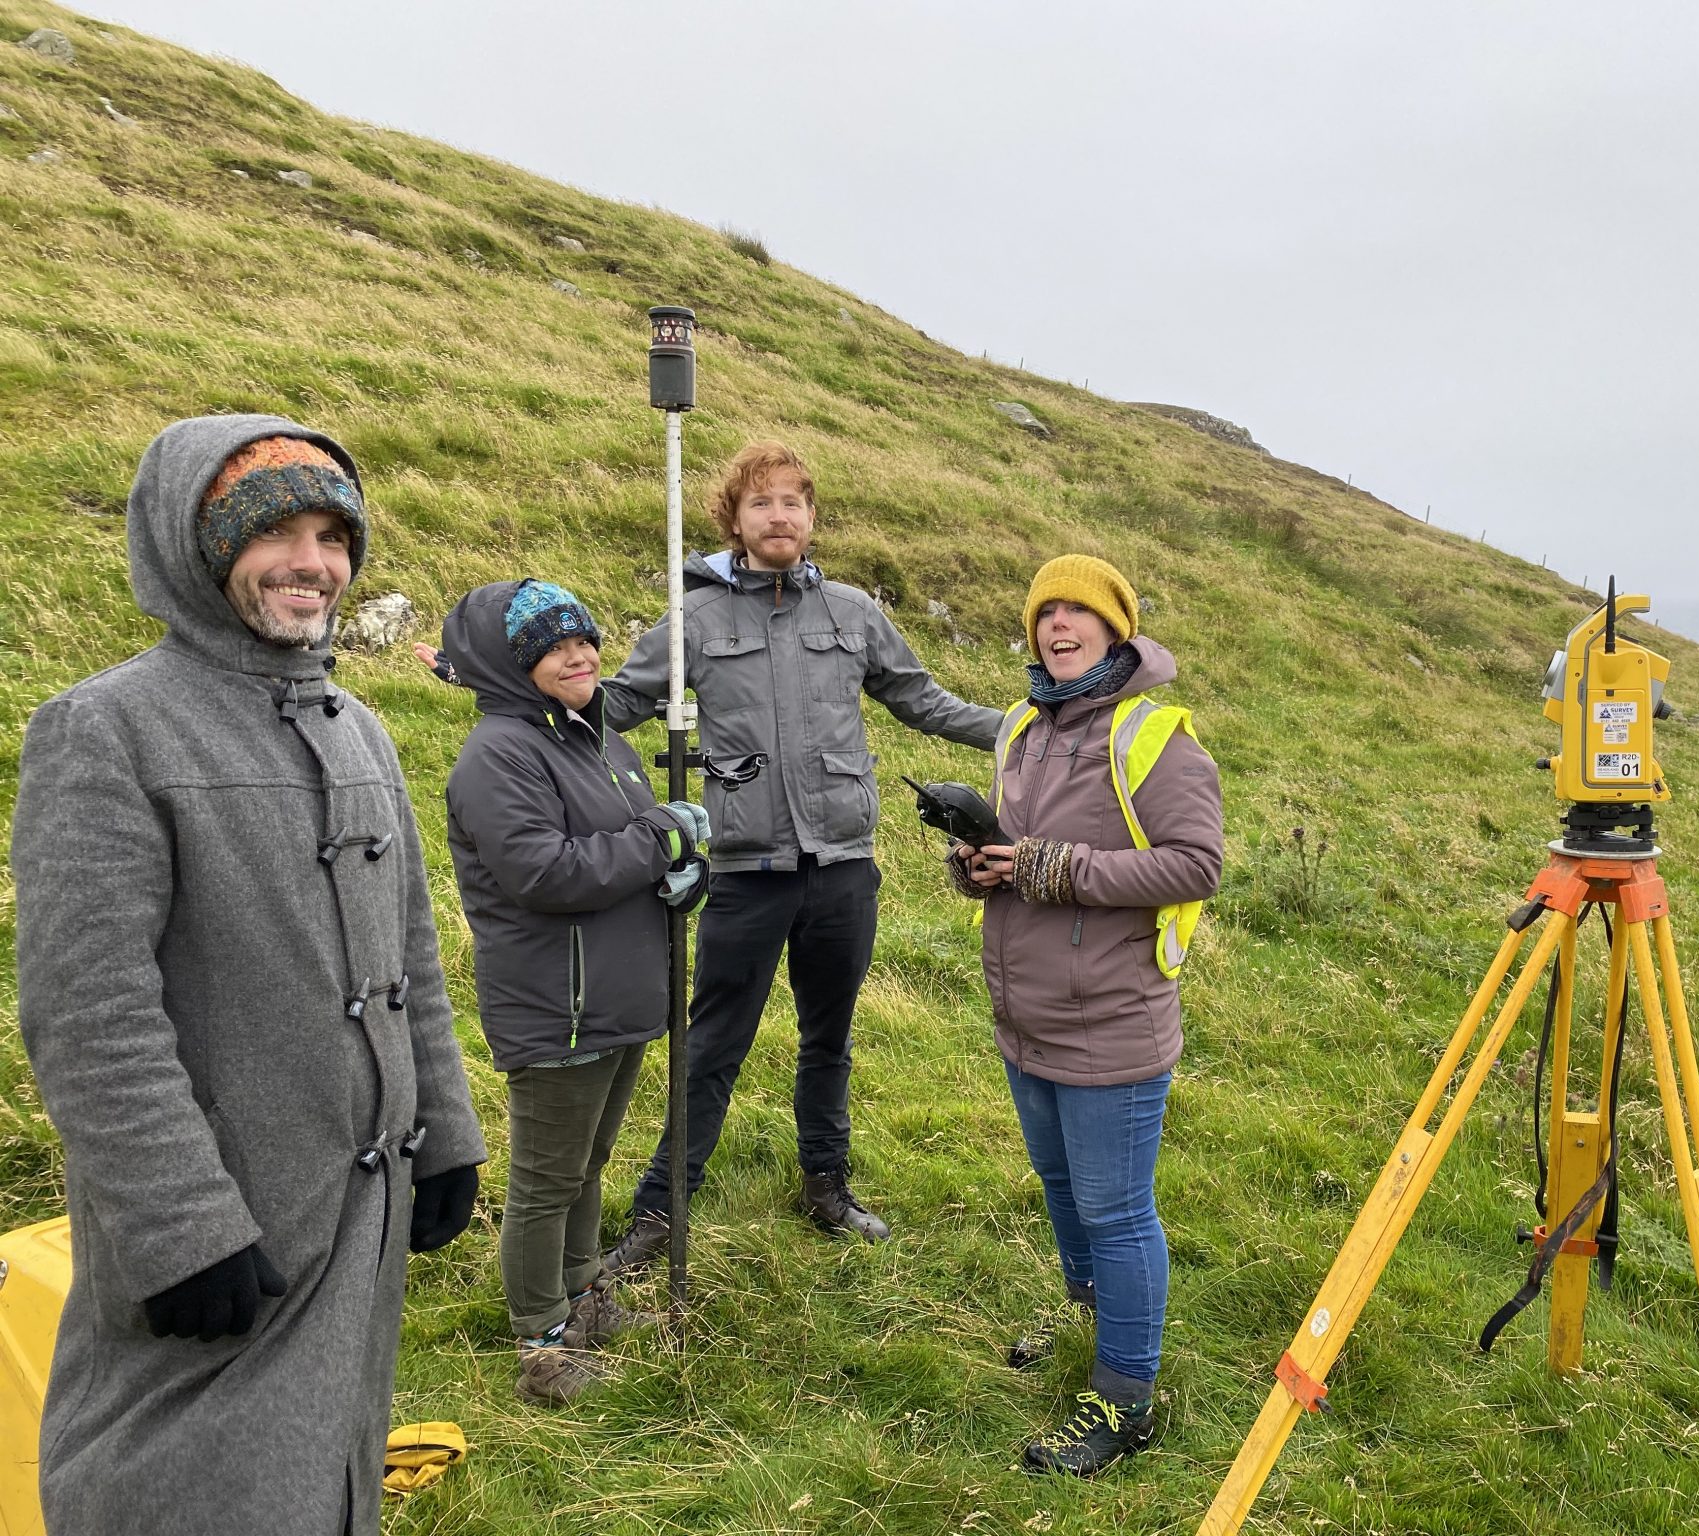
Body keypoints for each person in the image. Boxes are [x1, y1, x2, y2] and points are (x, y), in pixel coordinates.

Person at [12, 416, 488, 1535]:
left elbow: (406, 950)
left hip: (350, 1224)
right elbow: (90, 1012)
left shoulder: (358, 728)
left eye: (332, 533)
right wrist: (182, 1227)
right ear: (199, 545)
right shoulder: (107, 729)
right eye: (275, 531)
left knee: (328, 1479)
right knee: (177, 1487)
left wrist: (447, 1126)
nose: (312, 562)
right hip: (221, 1231)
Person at [602, 440, 1001, 1253]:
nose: (778, 515)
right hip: (745, 873)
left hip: (843, 870)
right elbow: (616, 701)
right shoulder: (696, 620)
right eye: (761, 503)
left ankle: (826, 1186)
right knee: (712, 1045)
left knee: (830, 1039)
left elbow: (919, 699)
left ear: (813, 518)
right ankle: (658, 1214)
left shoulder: (852, 613)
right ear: (734, 521)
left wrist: (1024, 730)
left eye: (793, 502)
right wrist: (513, 690)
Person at [947, 554, 1222, 1476]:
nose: (1059, 626)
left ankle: (1126, 1401)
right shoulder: (1024, 726)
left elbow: (1196, 864)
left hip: (1111, 1018)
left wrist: (1050, 867)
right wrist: (984, 862)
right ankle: (1088, 1327)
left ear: (1116, 628)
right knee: (1064, 1194)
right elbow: (1018, 851)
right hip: (1025, 1014)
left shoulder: (1156, 736)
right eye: (1045, 613)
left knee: (1116, 1211)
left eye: (1080, 613)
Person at [439, 579, 707, 1403]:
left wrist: (680, 879)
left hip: (619, 996)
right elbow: (542, 871)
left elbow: (630, 854)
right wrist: (660, 840)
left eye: (585, 639)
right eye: (554, 648)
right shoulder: (499, 755)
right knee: (547, 1179)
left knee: (589, 1164)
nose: (580, 655)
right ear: (510, 666)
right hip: (561, 1005)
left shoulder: (598, 740)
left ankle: (584, 1294)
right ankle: (541, 1342)